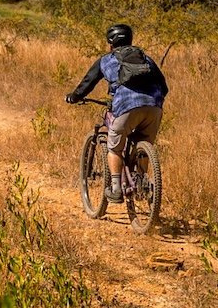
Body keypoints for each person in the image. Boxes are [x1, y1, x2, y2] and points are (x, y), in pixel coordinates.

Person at [65, 23, 168, 202]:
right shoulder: (145, 57)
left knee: (114, 148)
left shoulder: (106, 60)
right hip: (154, 107)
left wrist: (74, 97)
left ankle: (115, 189)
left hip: (125, 106)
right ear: (130, 40)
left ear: (110, 43)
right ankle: (141, 183)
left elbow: (88, 82)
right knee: (143, 144)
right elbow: (164, 86)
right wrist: (153, 101)